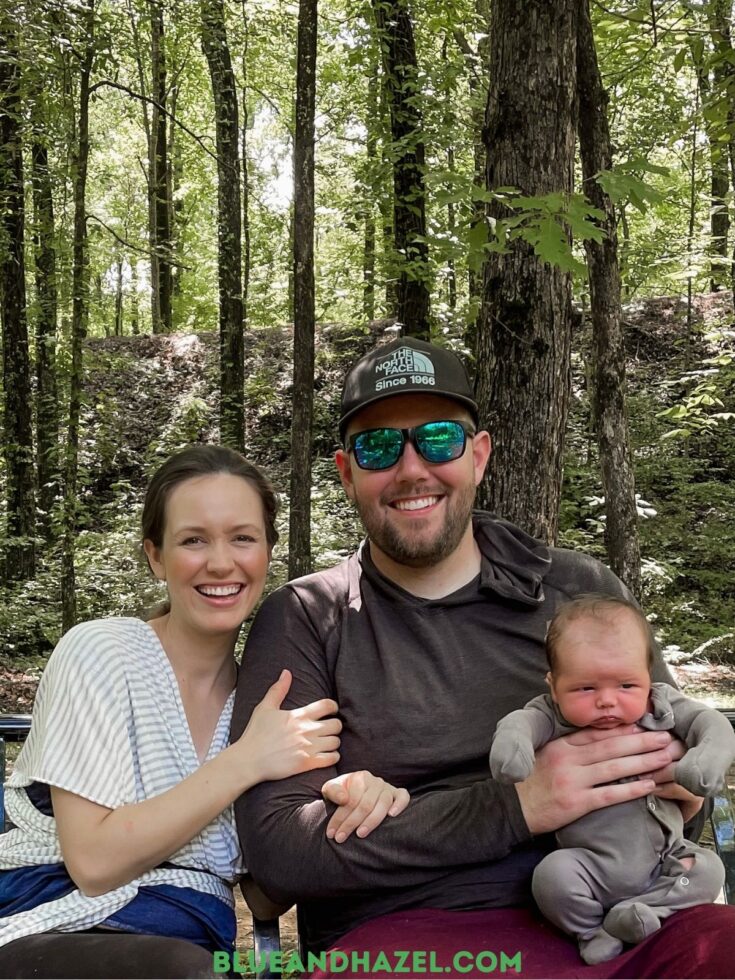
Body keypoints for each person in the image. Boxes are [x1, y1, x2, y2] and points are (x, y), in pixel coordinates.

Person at [231, 337, 735, 979]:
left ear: (479, 455)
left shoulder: (579, 592)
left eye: (438, 438)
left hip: (625, 917)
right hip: (408, 941)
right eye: (379, 446)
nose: (412, 468)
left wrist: (677, 789)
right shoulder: (309, 616)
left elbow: (684, 784)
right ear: (346, 471)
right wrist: (520, 805)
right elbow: (280, 853)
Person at [0, 446, 408, 979]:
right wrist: (246, 762)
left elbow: (263, 901)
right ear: (155, 555)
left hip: (192, 943)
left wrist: (348, 806)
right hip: (50, 928)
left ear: (267, 553)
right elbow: (94, 864)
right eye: (193, 540)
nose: (221, 562)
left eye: (243, 537)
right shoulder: (101, 653)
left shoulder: (266, 707)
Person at [490, 594, 735, 964]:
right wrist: (514, 746)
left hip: (665, 860)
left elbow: (710, 722)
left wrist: (705, 759)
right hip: (588, 865)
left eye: (626, 685)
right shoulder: (552, 714)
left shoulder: (660, 703)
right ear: (554, 686)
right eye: (586, 688)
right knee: (551, 878)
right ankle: (591, 930)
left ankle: (641, 913)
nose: (607, 700)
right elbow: (521, 723)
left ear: (646, 678)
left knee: (707, 870)